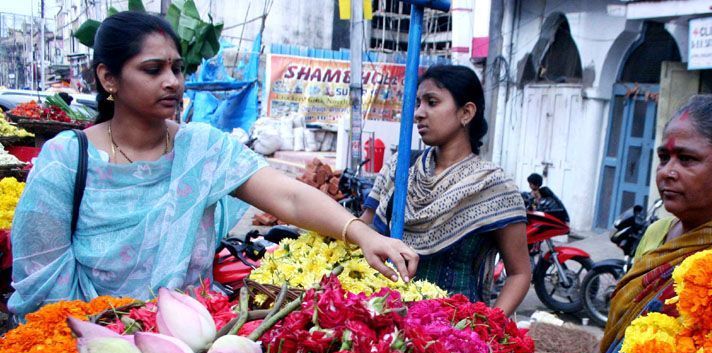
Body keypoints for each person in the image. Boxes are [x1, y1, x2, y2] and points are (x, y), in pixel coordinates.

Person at [9, 12, 417, 317]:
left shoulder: (201, 148)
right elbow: (43, 277)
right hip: (87, 347)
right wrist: (105, 334)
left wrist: (361, 234)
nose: (172, 81)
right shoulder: (67, 160)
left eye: (177, 68)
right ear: (108, 78)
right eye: (153, 69)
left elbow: (288, 197)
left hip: (190, 342)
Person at [558, 95, 712, 353]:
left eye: (687, 159)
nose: (666, 172)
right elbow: (618, 330)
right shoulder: (657, 233)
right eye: (664, 158)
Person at [360, 65, 531, 315]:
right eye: (418, 103)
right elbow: (363, 230)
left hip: (455, 328)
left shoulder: (493, 186)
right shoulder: (401, 168)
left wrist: (488, 326)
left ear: (466, 112)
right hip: (387, 317)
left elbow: (519, 273)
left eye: (431, 102)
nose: (419, 113)